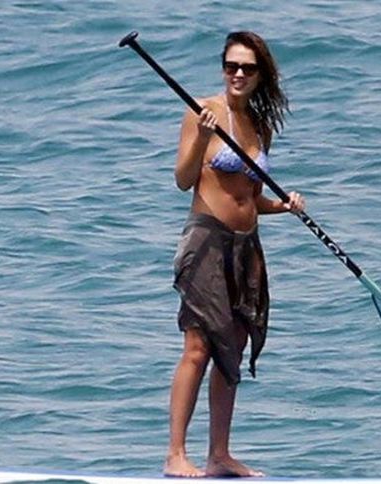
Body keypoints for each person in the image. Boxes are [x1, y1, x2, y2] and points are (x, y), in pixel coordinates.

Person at [164, 31, 305, 478]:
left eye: (247, 68)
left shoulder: (260, 126)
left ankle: (219, 455)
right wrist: (202, 138)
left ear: (261, 74)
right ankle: (175, 454)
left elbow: (251, 197)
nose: (238, 74)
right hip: (207, 241)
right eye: (231, 66)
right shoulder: (202, 111)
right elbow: (183, 180)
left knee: (233, 348)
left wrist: (283, 206)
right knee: (198, 347)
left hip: (248, 246)